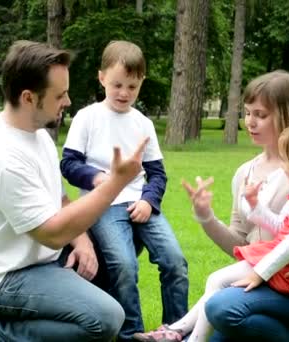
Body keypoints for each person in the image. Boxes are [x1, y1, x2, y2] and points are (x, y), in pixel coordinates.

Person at [137, 70, 289, 342]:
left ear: (285, 114)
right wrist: (206, 216)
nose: (250, 122)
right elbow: (241, 244)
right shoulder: (245, 173)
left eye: (260, 114)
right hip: (258, 283)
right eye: (247, 113)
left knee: (220, 307)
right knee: (216, 319)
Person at [0, 40, 149, 341]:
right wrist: (115, 184)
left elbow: (58, 198)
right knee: (105, 319)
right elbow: (53, 232)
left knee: (119, 254)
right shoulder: (0, 156)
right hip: (2, 279)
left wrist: (83, 242)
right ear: (29, 98)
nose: (68, 101)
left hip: (42, 259)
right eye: (60, 95)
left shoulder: (38, 134)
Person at [60, 40, 188, 342]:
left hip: (139, 206)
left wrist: (149, 200)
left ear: (141, 83)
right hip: (103, 205)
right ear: (101, 77)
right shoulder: (87, 117)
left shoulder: (143, 123)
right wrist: (99, 179)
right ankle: (132, 334)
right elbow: (68, 164)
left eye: (132, 86)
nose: (123, 93)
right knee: (124, 265)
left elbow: (157, 174)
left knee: (175, 261)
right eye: (117, 84)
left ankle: (177, 330)